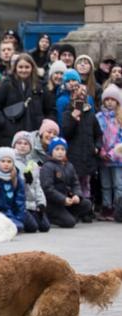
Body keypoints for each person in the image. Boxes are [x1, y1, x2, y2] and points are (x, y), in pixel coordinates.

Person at [0, 53, 50, 148]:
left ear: (32, 68)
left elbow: (49, 109)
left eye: (27, 67)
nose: (23, 70)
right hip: (11, 136)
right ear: (15, 68)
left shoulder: (40, 86)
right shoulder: (7, 84)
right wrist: (3, 123)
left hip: (35, 135)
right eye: (20, 67)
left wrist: (44, 126)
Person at [62, 83, 102, 206]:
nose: (80, 98)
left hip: (88, 154)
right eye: (76, 95)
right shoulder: (68, 112)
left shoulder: (90, 113)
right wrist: (74, 119)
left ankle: (87, 207)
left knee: (86, 183)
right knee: (75, 182)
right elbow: (67, 133)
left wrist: (97, 146)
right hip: (74, 155)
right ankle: (76, 206)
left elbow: (98, 133)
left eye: (83, 95)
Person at [41, 137, 92, 228]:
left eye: (63, 149)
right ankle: (50, 217)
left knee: (87, 204)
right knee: (70, 223)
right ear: (51, 151)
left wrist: (77, 195)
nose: (60, 152)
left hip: (66, 200)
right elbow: (47, 189)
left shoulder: (69, 165)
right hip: (52, 203)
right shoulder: (47, 166)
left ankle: (67, 215)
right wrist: (63, 199)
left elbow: (75, 183)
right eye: (57, 149)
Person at [12, 130, 50, 233]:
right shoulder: (11, 162)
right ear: (14, 145)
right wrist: (24, 179)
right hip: (20, 204)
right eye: (19, 143)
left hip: (32, 204)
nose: (22, 146)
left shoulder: (33, 165)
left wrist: (41, 203)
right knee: (32, 227)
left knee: (45, 227)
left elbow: (37, 186)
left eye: (26, 143)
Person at [97, 84, 122, 220]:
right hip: (103, 156)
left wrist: (113, 152)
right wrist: (101, 151)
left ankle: (119, 207)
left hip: (118, 158)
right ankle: (107, 207)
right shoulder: (99, 116)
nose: (109, 102)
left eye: (113, 99)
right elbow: (97, 135)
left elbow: (120, 137)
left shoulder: (120, 117)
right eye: (107, 99)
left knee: (118, 184)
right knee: (105, 184)